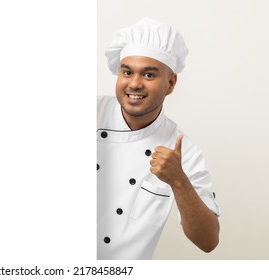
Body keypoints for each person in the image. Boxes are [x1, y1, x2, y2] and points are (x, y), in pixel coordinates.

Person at [97, 18, 221, 260]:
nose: (134, 83)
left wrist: (178, 181)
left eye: (149, 75)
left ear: (171, 83)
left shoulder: (183, 150)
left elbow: (208, 241)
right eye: (127, 72)